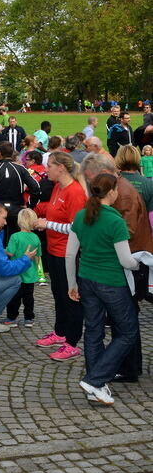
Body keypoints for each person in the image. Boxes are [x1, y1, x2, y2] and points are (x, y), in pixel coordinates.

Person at [65, 173, 139, 406]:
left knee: (94, 330)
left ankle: (95, 384)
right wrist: (140, 262)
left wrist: (71, 284)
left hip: (86, 279)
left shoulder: (81, 215)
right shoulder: (115, 221)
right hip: (112, 283)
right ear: (112, 192)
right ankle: (96, 379)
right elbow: (126, 261)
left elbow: (70, 254)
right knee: (127, 332)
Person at [81, 152, 152, 383]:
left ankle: (128, 368)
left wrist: (99, 239)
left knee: (125, 321)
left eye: (91, 179)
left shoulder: (124, 195)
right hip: (118, 264)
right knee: (121, 320)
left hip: (128, 264)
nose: (92, 186)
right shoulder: (118, 192)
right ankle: (124, 366)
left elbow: (127, 233)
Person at [34, 152, 86, 360]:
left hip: (69, 254)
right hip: (54, 251)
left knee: (70, 297)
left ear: (61, 168)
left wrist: (47, 224)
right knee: (58, 294)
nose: (47, 170)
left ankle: (72, 341)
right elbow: (53, 210)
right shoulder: (57, 187)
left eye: (50, 166)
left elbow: (76, 227)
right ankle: (60, 332)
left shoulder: (75, 192)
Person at [0, 203, 36, 332]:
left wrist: (4, 252)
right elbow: (4, 268)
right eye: (4, 218)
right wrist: (26, 259)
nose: (5, 223)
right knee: (15, 281)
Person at [0, 141, 41, 244]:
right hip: (16, 211)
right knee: (14, 242)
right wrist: (30, 205)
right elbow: (36, 188)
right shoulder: (20, 169)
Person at [3, 208, 42, 327]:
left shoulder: (15, 236)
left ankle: (11, 317)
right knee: (28, 297)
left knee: (14, 296)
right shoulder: (36, 237)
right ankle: (29, 318)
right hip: (30, 272)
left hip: (16, 271)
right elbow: (38, 256)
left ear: (19, 221)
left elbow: (10, 253)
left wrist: (1, 250)